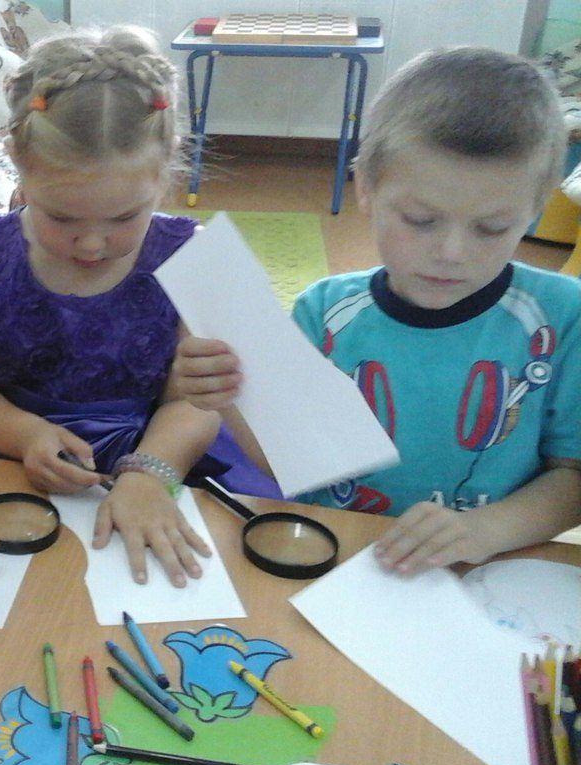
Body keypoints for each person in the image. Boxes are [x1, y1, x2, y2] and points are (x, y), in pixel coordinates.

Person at [170, 46, 581, 575]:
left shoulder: (564, 318)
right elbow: (294, 465)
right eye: (420, 219)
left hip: (488, 572)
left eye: (492, 228)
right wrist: (228, 398)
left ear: (537, 208)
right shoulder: (325, 312)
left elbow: (573, 476)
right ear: (365, 188)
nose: (452, 252)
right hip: (339, 560)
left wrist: (487, 530)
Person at [0, 26, 279, 589]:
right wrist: (25, 435)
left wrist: (151, 473)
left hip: (161, 455)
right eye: (62, 218)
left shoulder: (191, 258)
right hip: (14, 459)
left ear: (165, 169)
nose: (93, 244)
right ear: (17, 161)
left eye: (123, 218)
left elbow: (196, 400)